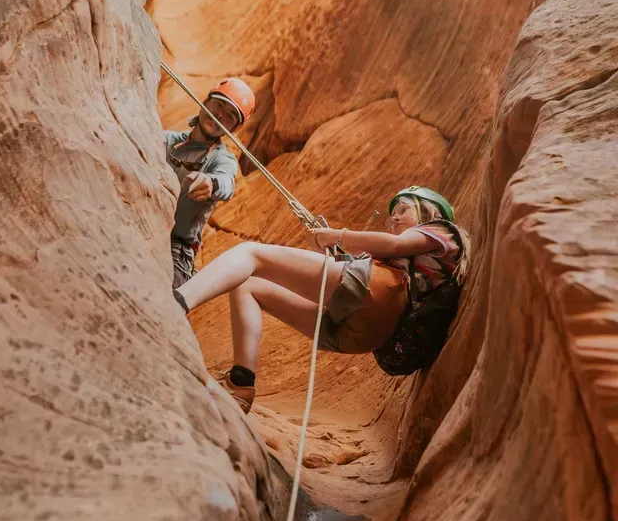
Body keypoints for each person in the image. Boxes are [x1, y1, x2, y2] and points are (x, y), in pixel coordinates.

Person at [174, 186, 471, 413]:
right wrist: (332, 248)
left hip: (380, 292)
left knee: (251, 253)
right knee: (247, 285)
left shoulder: (443, 232)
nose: (394, 216)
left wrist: (336, 235)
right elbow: (355, 274)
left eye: (403, 208)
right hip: (363, 335)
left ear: (429, 212)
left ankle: (175, 303)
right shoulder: (410, 262)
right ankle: (241, 383)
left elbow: (393, 245)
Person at [165, 77, 256, 289]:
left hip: (176, 248)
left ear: (233, 129)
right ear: (206, 102)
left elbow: (226, 183)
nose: (220, 115)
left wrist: (211, 184)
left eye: (231, 116)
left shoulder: (222, 159)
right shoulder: (167, 140)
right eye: (219, 104)